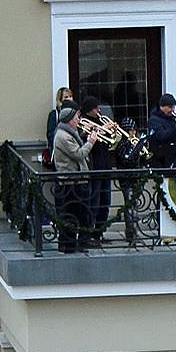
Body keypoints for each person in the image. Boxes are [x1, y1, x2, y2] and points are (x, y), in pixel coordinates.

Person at [52, 101, 98, 253]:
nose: (79, 120)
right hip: (71, 182)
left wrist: (85, 133)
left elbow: (76, 144)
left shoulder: (70, 132)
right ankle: (69, 245)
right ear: (69, 120)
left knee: (79, 213)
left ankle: (75, 243)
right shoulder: (63, 136)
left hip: (77, 180)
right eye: (76, 117)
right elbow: (79, 154)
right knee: (72, 214)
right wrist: (90, 142)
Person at [79, 96, 113, 245]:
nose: (98, 110)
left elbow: (112, 142)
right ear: (89, 109)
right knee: (94, 201)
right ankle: (88, 234)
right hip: (94, 167)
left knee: (106, 201)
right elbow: (83, 141)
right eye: (95, 108)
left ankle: (99, 233)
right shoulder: (83, 123)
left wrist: (112, 130)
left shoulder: (100, 121)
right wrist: (100, 130)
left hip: (106, 166)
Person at [114, 117, 148, 244]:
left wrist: (142, 151)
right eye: (130, 130)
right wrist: (134, 148)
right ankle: (130, 232)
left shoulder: (135, 141)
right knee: (129, 205)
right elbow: (125, 159)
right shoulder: (122, 144)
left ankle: (135, 231)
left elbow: (142, 159)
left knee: (135, 205)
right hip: (126, 178)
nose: (133, 133)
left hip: (135, 177)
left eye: (134, 130)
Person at [148, 93, 176, 168]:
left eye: (173, 107)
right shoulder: (154, 120)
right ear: (161, 106)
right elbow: (162, 136)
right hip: (163, 161)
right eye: (170, 107)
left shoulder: (173, 119)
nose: (172, 110)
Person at [45, 87, 74, 169]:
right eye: (66, 97)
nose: (69, 99)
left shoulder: (75, 114)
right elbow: (50, 134)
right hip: (60, 152)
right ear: (60, 100)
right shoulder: (55, 114)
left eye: (70, 96)